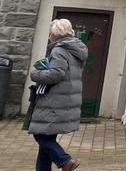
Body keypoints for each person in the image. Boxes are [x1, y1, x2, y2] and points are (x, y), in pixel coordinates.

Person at [28, 18, 88, 171]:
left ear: (55, 34)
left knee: (40, 134)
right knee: (47, 140)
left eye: (50, 33)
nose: (49, 36)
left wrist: (36, 74)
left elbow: (56, 74)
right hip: (66, 98)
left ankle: (65, 161)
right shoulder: (76, 49)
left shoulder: (59, 50)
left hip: (54, 99)